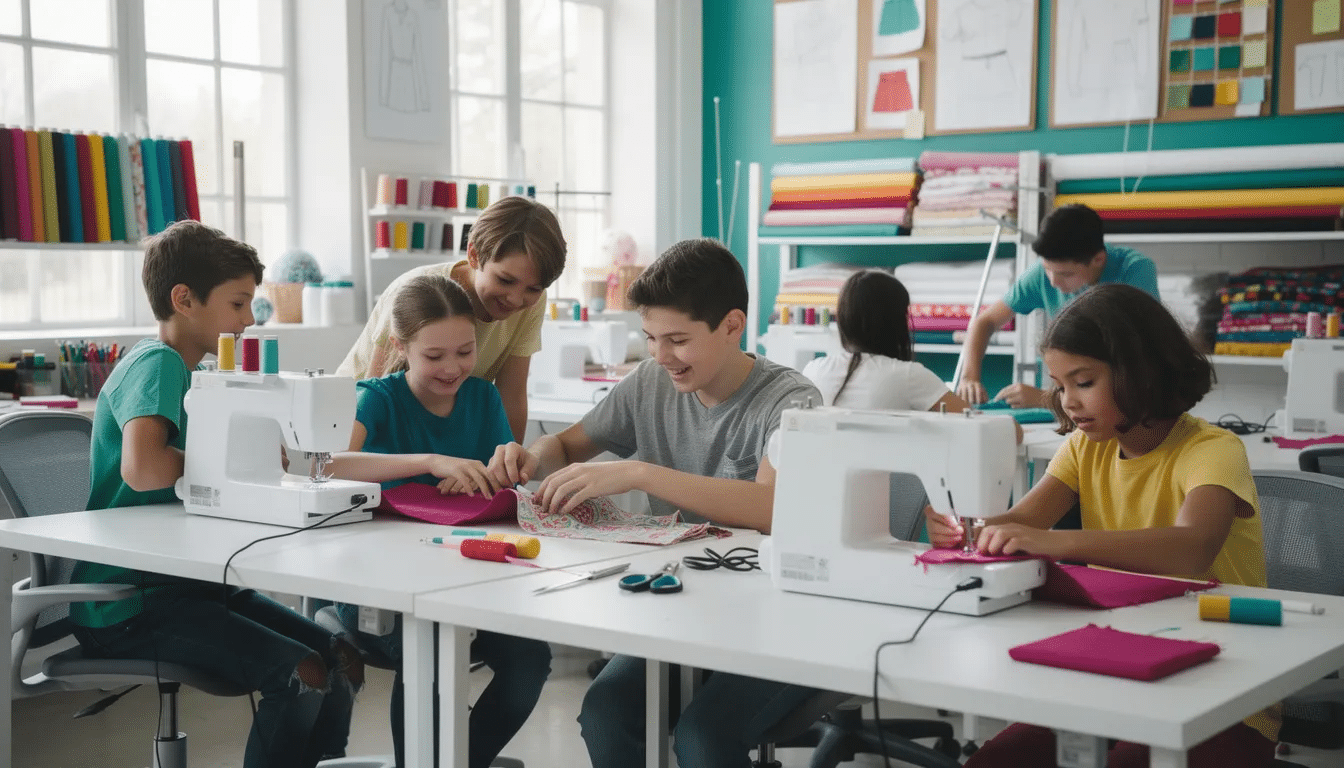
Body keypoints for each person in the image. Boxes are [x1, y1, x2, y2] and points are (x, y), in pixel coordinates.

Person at [486, 238, 823, 767]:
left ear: (732, 326)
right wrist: (529, 458)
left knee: (704, 739)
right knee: (606, 712)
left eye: (677, 340)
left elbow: (770, 507)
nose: (661, 356)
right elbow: (565, 447)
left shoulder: (791, 400)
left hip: (775, 616)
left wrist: (638, 472)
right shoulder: (650, 382)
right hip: (685, 606)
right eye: (650, 338)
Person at [928, 284, 1278, 768]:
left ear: (1141, 372)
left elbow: (1191, 550)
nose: (1068, 401)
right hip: (1116, 668)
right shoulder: (1084, 447)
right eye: (1060, 384)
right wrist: (967, 528)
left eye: (1084, 382)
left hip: (1226, 692)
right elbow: (1024, 521)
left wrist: (1052, 542)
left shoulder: (1212, 450)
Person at [69, 220, 360, 768]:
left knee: (338, 656)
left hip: (189, 587)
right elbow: (143, 468)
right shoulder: (156, 363)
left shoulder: (195, 370)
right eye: (238, 303)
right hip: (128, 604)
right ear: (185, 299)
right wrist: (237, 464)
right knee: (306, 672)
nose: (249, 319)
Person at [327, 274, 552, 768]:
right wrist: (430, 462)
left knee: (530, 662)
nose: (453, 368)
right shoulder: (379, 398)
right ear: (401, 347)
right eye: (434, 356)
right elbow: (330, 463)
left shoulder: (482, 399)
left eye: (465, 351)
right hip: (379, 587)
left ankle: (457, 761)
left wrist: (496, 473)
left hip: (468, 580)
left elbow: (501, 482)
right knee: (425, 650)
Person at [337, 195, 567, 440]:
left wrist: (509, 467)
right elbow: (377, 397)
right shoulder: (415, 292)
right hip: (352, 418)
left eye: (534, 289)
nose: (515, 299)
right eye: (505, 280)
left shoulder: (530, 303)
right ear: (474, 255)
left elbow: (512, 395)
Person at [956, 203, 1159, 408]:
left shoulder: (1135, 271)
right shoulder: (1043, 275)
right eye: (1047, 269)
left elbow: (1133, 360)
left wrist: (1047, 399)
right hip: (1072, 397)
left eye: (1066, 274)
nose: (1053, 282)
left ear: (1098, 259)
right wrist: (969, 377)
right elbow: (985, 321)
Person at [803, 269, 971, 413]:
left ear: (843, 319)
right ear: (895, 321)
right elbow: (971, 419)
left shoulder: (813, 371)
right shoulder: (910, 375)